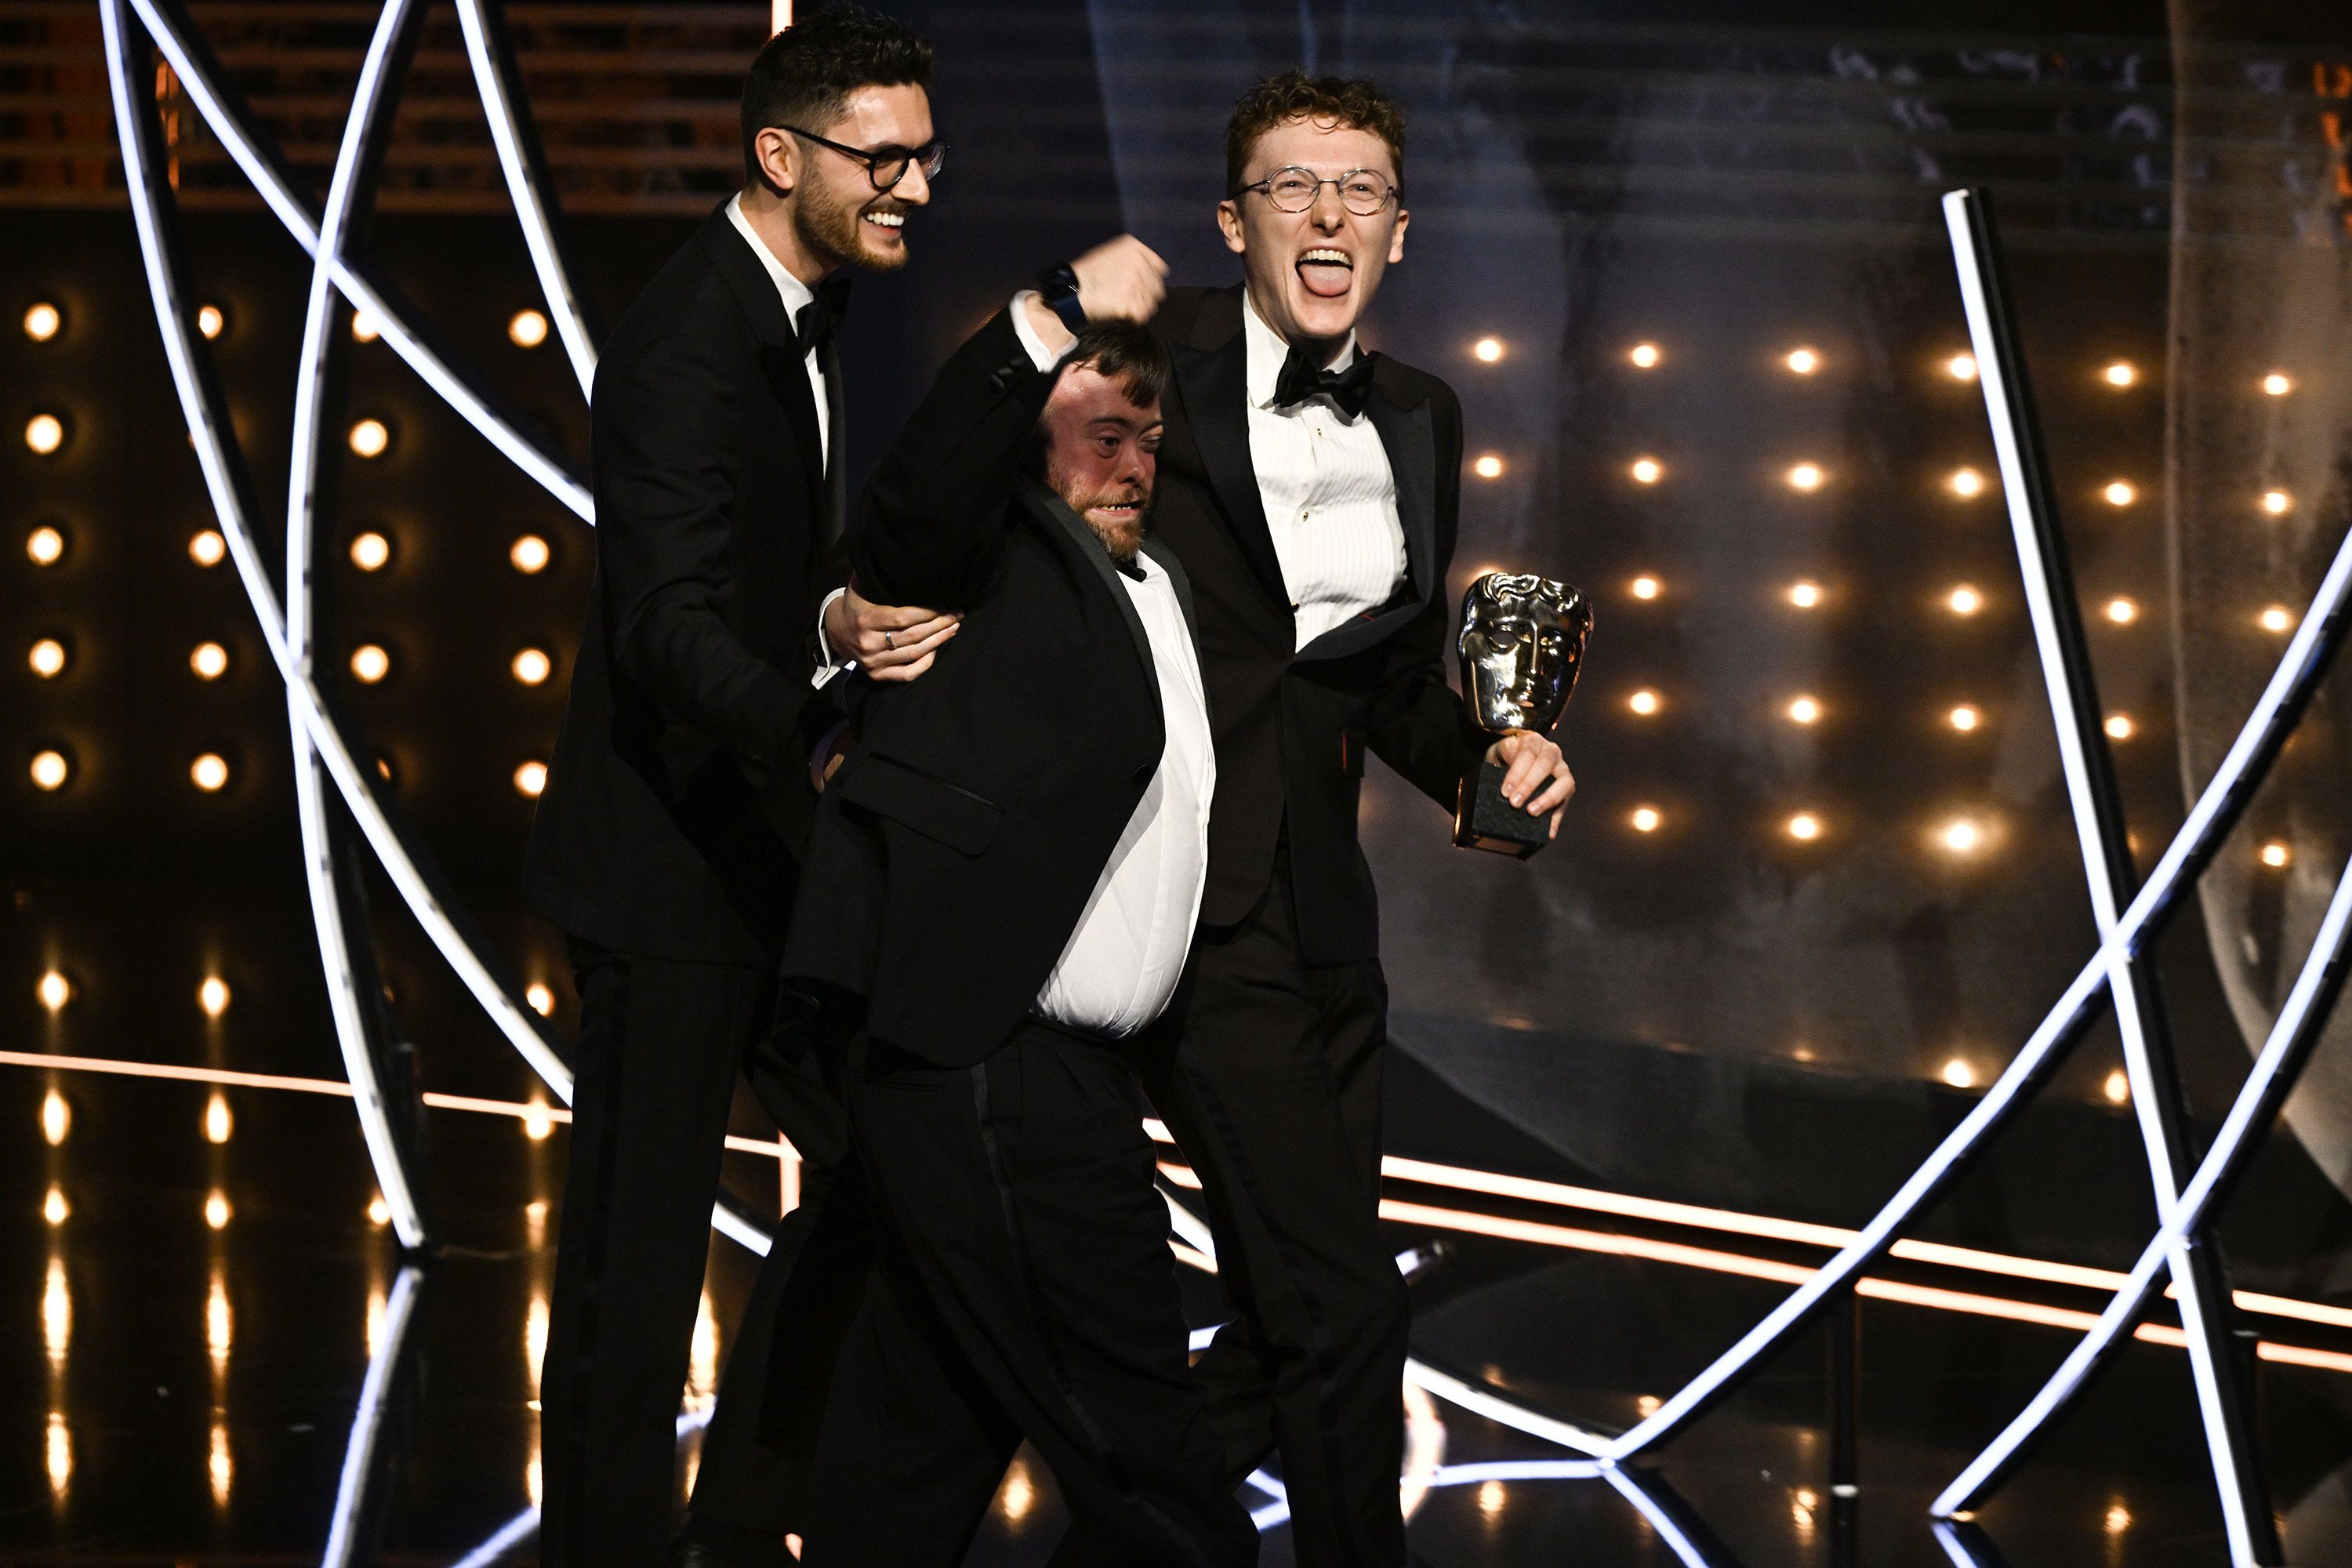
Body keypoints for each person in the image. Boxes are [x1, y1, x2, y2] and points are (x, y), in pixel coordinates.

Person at [1065, 71, 1577, 1568]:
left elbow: (1389, 676)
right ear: (1237, 223)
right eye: (1294, 186)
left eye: (1358, 188)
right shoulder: (1137, 379)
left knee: (1298, 1323)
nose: (1329, 212)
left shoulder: (1421, 413)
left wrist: (1499, 755)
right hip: (1179, 904)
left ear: (1401, 232)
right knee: (1347, 1304)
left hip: (1324, 922)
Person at [518, 9, 964, 1563]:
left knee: (883, 1170)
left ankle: (756, 1504)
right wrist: (811, 718)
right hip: (671, 868)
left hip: (771, 850)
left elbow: (759, 567)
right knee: (634, 1277)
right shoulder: (687, 334)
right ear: (781, 156)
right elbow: (659, 627)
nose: (915, 181)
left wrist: (837, 618)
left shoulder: (805, 308)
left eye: (925, 151)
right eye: (882, 155)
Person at [774, 280, 1254, 1566]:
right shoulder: (993, 554)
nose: (1135, 461)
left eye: (1149, 436)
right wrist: (1037, 323)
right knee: (1159, 1474)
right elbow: (922, 492)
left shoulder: (1167, 590)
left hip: (1068, 1080)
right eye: (1104, 430)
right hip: (996, 1060)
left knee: (920, 1441)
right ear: (1026, 433)